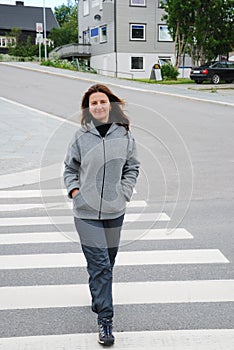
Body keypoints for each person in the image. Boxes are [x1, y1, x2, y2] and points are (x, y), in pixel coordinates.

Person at [63, 84, 140, 346]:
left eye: (102, 101)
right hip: (85, 213)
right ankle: (105, 320)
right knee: (101, 266)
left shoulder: (125, 135)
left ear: (111, 105)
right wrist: (75, 192)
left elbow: (133, 167)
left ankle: (98, 294)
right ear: (88, 107)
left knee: (107, 260)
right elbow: (69, 168)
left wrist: (124, 193)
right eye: (93, 102)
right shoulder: (80, 136)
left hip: (114, 210)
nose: (98, 106)